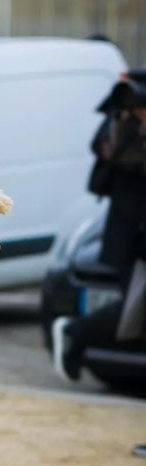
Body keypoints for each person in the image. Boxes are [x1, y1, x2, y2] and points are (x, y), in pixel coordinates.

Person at [52, 71, 146, 382]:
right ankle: (75, 332)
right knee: (136, 311)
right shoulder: (126, 128)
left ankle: (77, 333)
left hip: (132, 235)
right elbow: (108, 153)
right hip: (133, 240)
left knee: (136, 315)